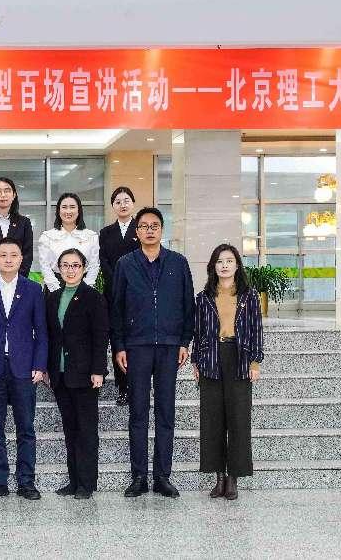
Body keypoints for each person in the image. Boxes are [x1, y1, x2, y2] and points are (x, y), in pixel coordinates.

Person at [111, 207, 195, 499]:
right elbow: (117, 307)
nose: (149, 230)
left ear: (162, 230)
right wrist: (119, 346)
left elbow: (187, 305)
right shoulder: (125, 264)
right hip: (136, 346)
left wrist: (184, 341)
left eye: (155, 225)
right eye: (144, 226)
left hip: (170, 346)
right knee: (138, 412)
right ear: (136, 232)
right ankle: (138, 476)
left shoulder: (178, 263)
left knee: (165, 411)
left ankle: (162, 476)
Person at [0, 237, 48, 500]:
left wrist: (39, 364)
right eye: (3, 255)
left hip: (24, 368)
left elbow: (42, 332)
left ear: (21, 259)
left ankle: (26, 482)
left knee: (26, 427)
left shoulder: (33, 289)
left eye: (13, 255)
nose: (8, 259)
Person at [192, 243, 263, 501]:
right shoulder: (203, 297)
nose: (224, 265)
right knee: (212, 420)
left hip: (239, 358)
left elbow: (256, 330)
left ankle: (233, 478)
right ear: (213, 266)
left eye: (229, 261)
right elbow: (198, 332)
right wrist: (196, 361)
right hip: (211, 358)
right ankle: (219, 477)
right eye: (220, 261)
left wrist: (255, 362)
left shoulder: (249, 296)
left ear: (237, 265)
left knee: (238, 419)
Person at [45, 248, 109, 500]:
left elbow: (100, 337)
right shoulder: (52, 298)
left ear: (83, 268)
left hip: (85, 375)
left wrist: (98, 370)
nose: (70, 270)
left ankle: (87, 483)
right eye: (65, 265)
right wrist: (48, 368)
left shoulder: (94, 298)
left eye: (75, 265)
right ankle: (73, 482)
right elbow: (50, 336)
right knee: (70, 430)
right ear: (58, 269)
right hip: (60, 375)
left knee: (86, 431)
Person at [99, 186, 141, 406]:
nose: (122, 205)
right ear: (113, 206)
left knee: (136, 340)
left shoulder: (140, 229)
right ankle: (122, 387)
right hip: (113, 294)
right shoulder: (106, 232)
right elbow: (103, 260)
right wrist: (117, 281)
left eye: (126, 200)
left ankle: (138, 385)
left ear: (133, 203)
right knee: (118, 340)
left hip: (138, 294)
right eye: (118, 201)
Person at [38, 192, 99, 293]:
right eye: (64, 207)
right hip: (55, 286)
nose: (68, 211)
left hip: (83, 287)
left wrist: (85, 289)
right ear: (58, 211)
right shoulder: (47, 237)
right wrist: (56, 289)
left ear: (79, 210)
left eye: (72, 207)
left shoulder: (91, 236)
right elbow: (45, 266)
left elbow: (94, 266)